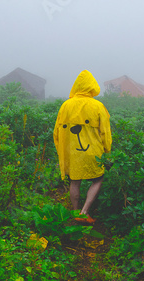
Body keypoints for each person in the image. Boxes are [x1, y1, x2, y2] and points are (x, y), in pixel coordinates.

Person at [53, 70, 112, 224]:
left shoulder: (65, 105)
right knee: (98, 179)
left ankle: (74, 211)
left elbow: (56, 132)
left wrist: (62, 150)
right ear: (92, 87)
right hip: (94, 152)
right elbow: (105, 132)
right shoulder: (98, 106)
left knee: (75, 181)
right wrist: (107, 150)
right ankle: (84, 211)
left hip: (72, 153)